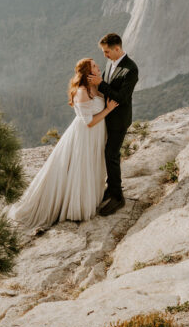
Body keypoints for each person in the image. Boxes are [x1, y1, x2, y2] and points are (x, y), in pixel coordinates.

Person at [8, 58, 118, 229]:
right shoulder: (82, 92)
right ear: (88, 72)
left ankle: (89, 198)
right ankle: (77, 206)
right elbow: (88, 122)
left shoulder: (95, 87)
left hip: (96, 134)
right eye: (95, 66)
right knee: (81, 167)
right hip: (85, 135)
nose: (98, 67)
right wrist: (108, 110)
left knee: (92, 166)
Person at [87, 33, 139, 216]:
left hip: (119, 119)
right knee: (108, 153)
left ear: (117, 48)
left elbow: (122, 98)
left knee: (111, 154)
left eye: (107, 51)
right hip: (107, 117)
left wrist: (100, 84)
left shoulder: (131, 69)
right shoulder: (111, 64)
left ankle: (118, 197)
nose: (105, 55)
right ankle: (111, 188)